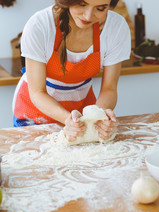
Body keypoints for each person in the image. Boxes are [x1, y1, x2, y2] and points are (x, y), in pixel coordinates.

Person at [12, 0, 131, 142]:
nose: (88, 16)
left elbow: (109, 89)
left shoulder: (115, 27)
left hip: (81, 104)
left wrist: (97, 117)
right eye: (82, 4)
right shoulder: (40, 25)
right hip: (36, 111)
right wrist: (68, 119)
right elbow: (38, 92)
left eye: (100, 8)